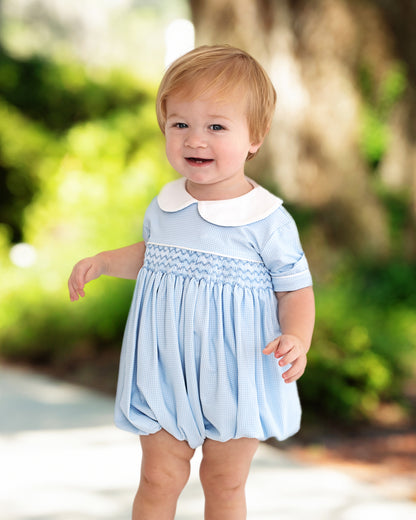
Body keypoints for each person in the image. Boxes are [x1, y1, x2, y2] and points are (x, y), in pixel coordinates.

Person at [68, 45, 315, 520]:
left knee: (223, 481)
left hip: (237, 369)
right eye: (180, 124)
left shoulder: (266, 220)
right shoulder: (165, 204)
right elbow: (151, 256)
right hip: (164, 366)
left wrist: (296, 338)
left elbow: (295, 290)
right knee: (159, 477)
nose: (195, 139)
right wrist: (101, 262)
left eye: (216, 126)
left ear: (255, 137)